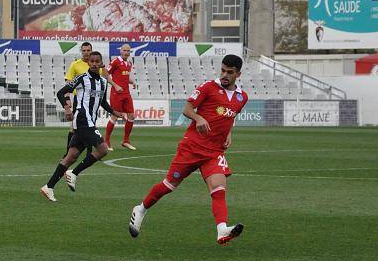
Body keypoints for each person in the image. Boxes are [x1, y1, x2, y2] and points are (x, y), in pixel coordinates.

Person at [128, 54, 247, 245]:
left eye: (230, 72)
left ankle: (222, 230)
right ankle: (141, 209)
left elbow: (229, 119)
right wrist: (198, 118)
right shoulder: (208, 87)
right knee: (169, 185)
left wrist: (228, 134)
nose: (225, 75)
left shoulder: (242, 97)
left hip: (214, 152)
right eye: (223, 70)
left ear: (238, 74)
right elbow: (187, 109)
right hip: (192, 147)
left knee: (219, 188)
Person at [40, 51, 114, 202]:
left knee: (71, 156)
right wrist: (67, 109)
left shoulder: (103, 82)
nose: (94, 63)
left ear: (100, 63)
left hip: (89, 121)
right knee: (103, 149)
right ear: (88, 63)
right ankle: (74, 173)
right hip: (81, 119)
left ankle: (49, 186)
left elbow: (103, 102)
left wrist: (115, 112)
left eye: (96, 61)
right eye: (91, 61)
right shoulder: (81, 78)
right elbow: (62, 93)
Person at [63, 42, 122, 155]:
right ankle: (68, 153)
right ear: (81, 51)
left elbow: (106, 77)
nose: (86, 52)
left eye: (88, 50)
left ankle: (86, 152)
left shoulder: (96, 64)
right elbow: (68, 81)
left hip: (93, 99)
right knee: (73, 128)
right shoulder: (75, 64)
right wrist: (67, 98)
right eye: (84, 50)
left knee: (91, 125)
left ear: (91, 51)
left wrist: (115, 85)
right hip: (79, 100)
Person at [105, 43, 137, 151]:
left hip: (126, 93)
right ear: (120, 51)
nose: (126, 52)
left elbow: (124, 77)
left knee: (131, 116)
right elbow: (104, 73)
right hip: (116, 93)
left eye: (128, 51)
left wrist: (132, 81)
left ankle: (126, 141)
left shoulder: (129, 63)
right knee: (115, 116)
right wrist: (115, 85)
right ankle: (106, 142)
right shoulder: (115, 61)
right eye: (125, 50)